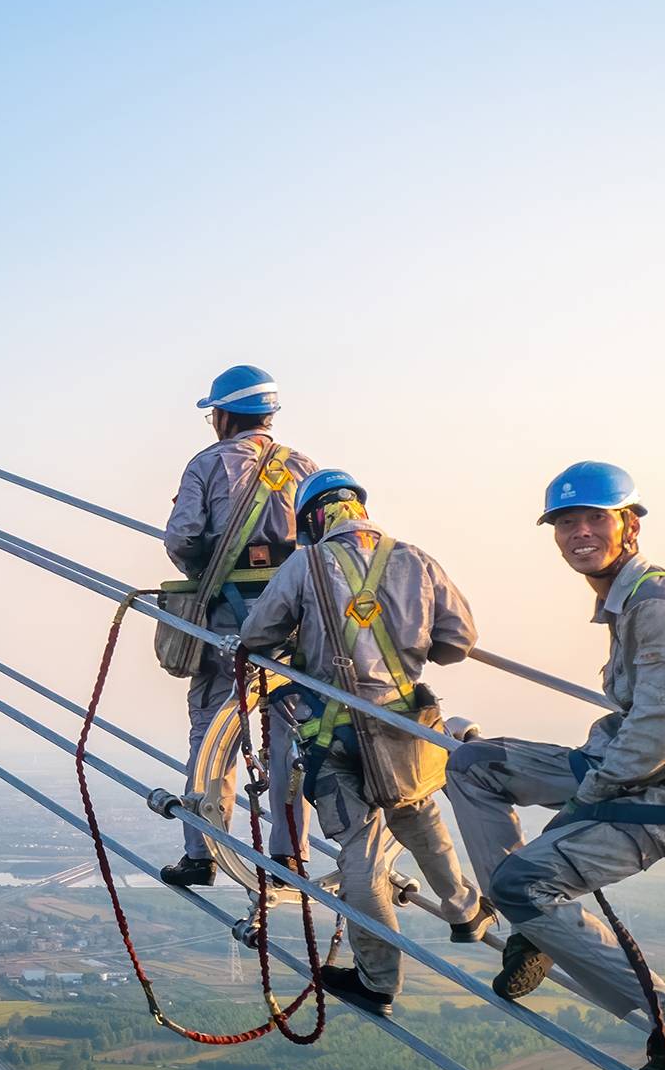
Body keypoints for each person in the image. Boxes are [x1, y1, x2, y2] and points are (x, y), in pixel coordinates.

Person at [446, 462, 665, 1070]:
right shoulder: (624, 600)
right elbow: (641, 730)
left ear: (631, 525)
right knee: (473, 765)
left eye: (595, 518)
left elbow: (659, 734)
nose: (579, 533)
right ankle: (534, 930)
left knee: (525, 882)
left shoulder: (660, 603)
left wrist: (583, 803)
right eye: (566, 522)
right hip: (634, 764)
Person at [236, 470, 491, 1013]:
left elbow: (257, 635)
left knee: (361, 855)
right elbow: (458, 641)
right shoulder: (416, 560)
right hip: (403, 728)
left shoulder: (304, 564)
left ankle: (379, 981)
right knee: (417, 812)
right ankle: (466, 911)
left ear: (312, 519)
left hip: (335, 732)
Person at [158, 366, 318, 888]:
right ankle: (291, 856)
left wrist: (213, 568)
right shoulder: (304, 467)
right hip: (297, 619)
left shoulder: (208, 464)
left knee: (213, 729)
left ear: (223, 415)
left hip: (228, 616)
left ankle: (203, 853)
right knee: (292, 732)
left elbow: (182, 539)